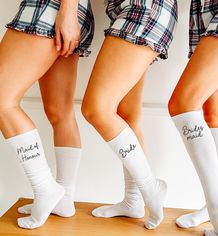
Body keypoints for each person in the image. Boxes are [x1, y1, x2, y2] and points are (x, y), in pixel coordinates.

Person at [81, 0, 178, 229]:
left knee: (96, 109)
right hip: (135, 9)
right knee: (127, 115)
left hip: (143, 7)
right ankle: (133, 201)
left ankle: (150, 188)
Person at [0, 0, 94, 229]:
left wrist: (68, 11)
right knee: (59, 111)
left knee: (3, 101)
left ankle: (46, 188)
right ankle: (64, 198)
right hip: (68, 10)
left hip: (51, 7)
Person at [168, 0, 218, 235]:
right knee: (215, 113)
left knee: (182, 104)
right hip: (204, 6)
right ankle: (214, 204)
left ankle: (217, 203)